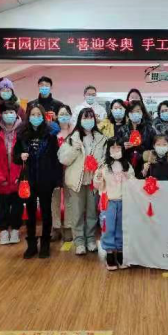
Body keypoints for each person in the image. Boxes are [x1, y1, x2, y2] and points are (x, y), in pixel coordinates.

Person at [13, 104, 62, 260]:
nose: (36, 117)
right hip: (29, 180)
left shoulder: (50, 135)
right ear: (28, 116)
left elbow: (56, 159)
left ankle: (45, 243)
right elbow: (15, 156)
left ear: (43, 117)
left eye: (38, 115)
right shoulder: (21, 134)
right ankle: (31, 244)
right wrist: (20, 156)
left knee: (46, 212)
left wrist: (57, 180)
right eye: (33, 115)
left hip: (46, 179)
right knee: (30, 213)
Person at [58, 108, 107, 256]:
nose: (88, 121)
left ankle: (91, 239)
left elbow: (105, 159)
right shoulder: (72, 138)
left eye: (91, 117)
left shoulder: (101, 139)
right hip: (76, 181)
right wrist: (74, 149)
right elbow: (63, 159)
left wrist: (98, 168)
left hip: (93, 181)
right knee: (77, 212)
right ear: (80, 120)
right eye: (85, 118)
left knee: (92, 212)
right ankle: (79, 241)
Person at [94, 138, 135, 271]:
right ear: (108, 150)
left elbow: (133, 182)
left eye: (118, 148)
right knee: (108, 228)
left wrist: (127, 177)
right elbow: (97, 185)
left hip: (124, 201)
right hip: (109, 202)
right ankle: (110, 253)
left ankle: (121, 252)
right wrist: (98, 178)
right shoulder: (104, 166)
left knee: (121, 228)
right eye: (113, 148)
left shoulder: (127, 165)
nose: (116, 150)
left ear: (122, 149)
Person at [0, 102, 24, 246]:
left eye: (11, 112)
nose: (9, 115)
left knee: (17, 205)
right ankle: (3, 230)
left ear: (16, 114)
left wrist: (19, 176)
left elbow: (24, 155)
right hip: (1, 177)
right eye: (5, 112)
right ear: (1, 114)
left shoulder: (22, 132)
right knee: (1, 205)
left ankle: (15, 229)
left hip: (17, 176)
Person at [51, 105, 75, 243]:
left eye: (66, 114)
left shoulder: (75, 131)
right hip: (54, 169)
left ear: (70, 115)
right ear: (56, 116)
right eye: (61, 114)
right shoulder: (52, 131)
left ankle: (68, 226)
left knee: (69, 199)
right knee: (54, 199)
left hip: (70, 169)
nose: (64, 116)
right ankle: (55, 227)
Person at [117, 100, 156, 178]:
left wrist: (138, 146)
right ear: (128, 114)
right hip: (126, 167)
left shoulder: (150, 130)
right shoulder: (122, 130)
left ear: (142, 112)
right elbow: (115, 148)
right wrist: (122, 147)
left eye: (138, 111)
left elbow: (154, 149)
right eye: (132, 111)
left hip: (144, 167)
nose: (135, 114)